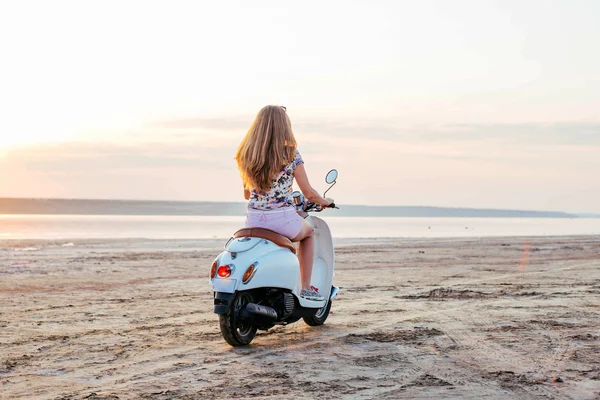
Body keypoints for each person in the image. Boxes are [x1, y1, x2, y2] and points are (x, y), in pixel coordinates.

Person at [235, 105, 333, 301]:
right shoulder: (290, 153)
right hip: (282, 220)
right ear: (283, 126)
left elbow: (247, 194)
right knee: (308, 234)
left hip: (253, 220)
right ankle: (305, 287)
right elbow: (309, 193)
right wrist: (325, 201)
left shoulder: (246, 153)